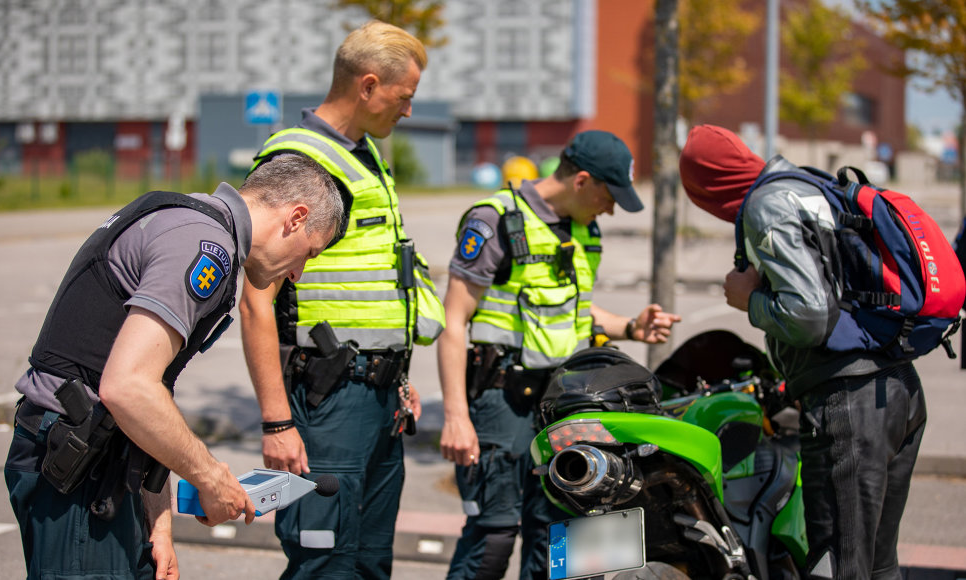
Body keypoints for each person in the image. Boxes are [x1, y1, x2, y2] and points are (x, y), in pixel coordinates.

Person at [4, 153, 344, 580]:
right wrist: (210, 478)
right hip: (79, 473)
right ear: (295, 218)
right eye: (308, 253)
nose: (297, 273)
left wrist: (157, 522)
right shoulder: (207, 247)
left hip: (95, 462)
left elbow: (150, 392)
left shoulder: (185, 217)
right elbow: (127, 387)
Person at [238, 20, 445, 580]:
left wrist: (397, 373)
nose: (407, 112)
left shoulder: (364, 157)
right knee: (324, 563)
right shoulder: (302, 161)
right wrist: (277, 423)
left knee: (371, 564)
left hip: (378, 397)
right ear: (368, 86)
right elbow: (256, 299)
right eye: (404, 98)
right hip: (329, 400)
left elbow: (374, 287)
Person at [679, 124, 926, 580]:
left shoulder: (765, 204)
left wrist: (746, 299)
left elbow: (810, 314)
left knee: (840, 566)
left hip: (849, 402)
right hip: (898, 389)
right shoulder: (812, 185)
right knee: (878, 562)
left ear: (709, 190)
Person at [438, 130, 682, 579]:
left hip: (563, 404)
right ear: (582, 181)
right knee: (492, 534)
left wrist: (629, 327)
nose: (611, 209)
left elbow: (572, 309)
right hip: (502, 398)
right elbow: (453, 322)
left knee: (567, 536)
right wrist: (456, 416)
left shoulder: (584, 228)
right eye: (610, 197)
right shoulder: (495, 220)